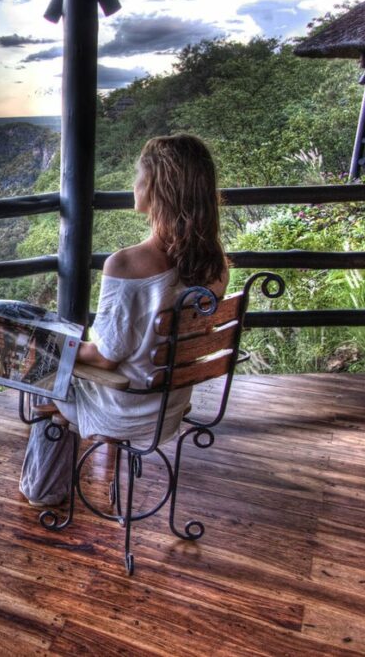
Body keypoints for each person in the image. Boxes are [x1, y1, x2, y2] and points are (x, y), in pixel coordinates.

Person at [20, 134, 229, 507]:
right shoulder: (215, 266)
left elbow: (104, 358)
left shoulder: (128, 264)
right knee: (47, 348)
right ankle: (47, 480)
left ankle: (43, 489)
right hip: (169, 403)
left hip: (125, 406)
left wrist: (43, 341)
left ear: (156, 188)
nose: (133, 184)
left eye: (138, 175)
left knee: (37, 362)